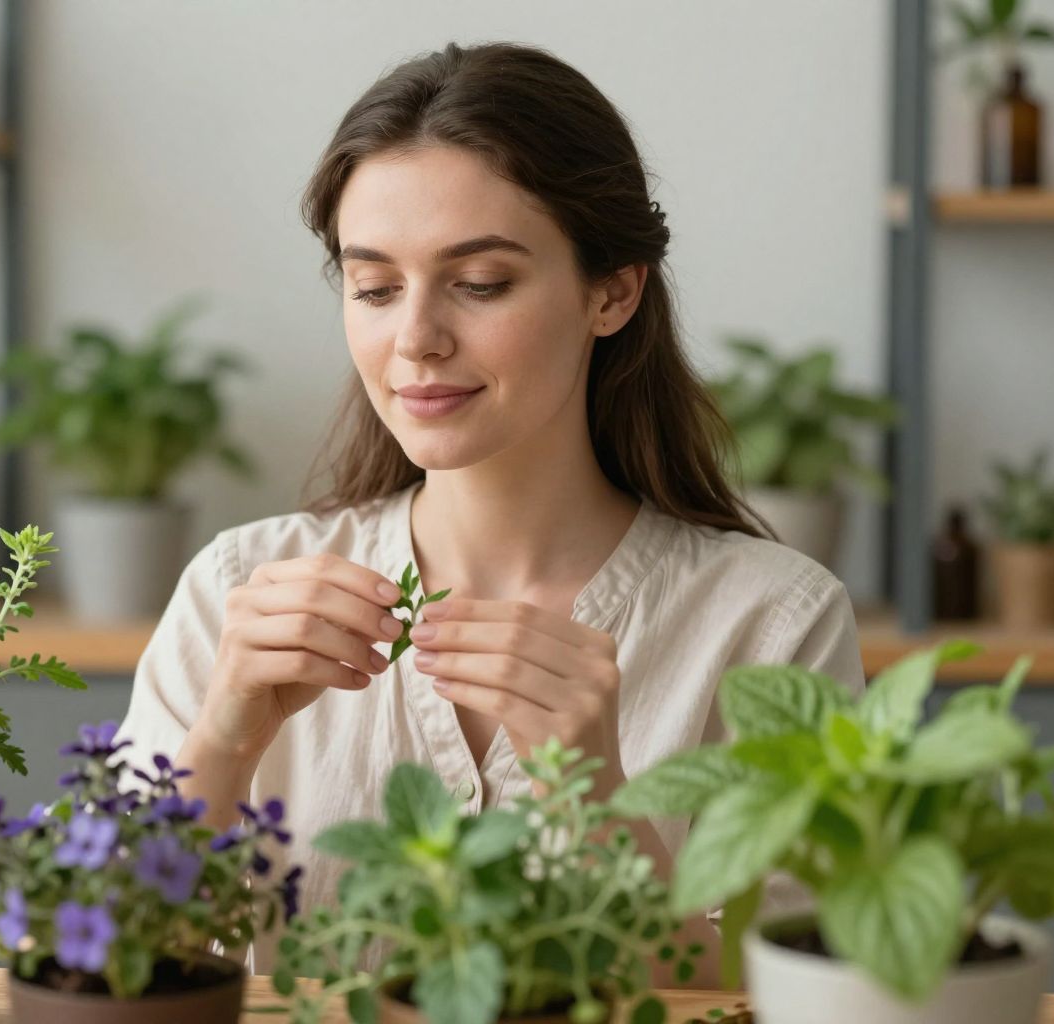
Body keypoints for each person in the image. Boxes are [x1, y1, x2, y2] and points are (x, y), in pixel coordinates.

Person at [119, 41, 863, 978]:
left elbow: (814, 989)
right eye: (375, 287)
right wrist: (222, 743)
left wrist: (597, 808)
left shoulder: (771, 626)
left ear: (613, 290)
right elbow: (104, 958)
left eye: (480, 284)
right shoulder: (235, 590)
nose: (417, 339)